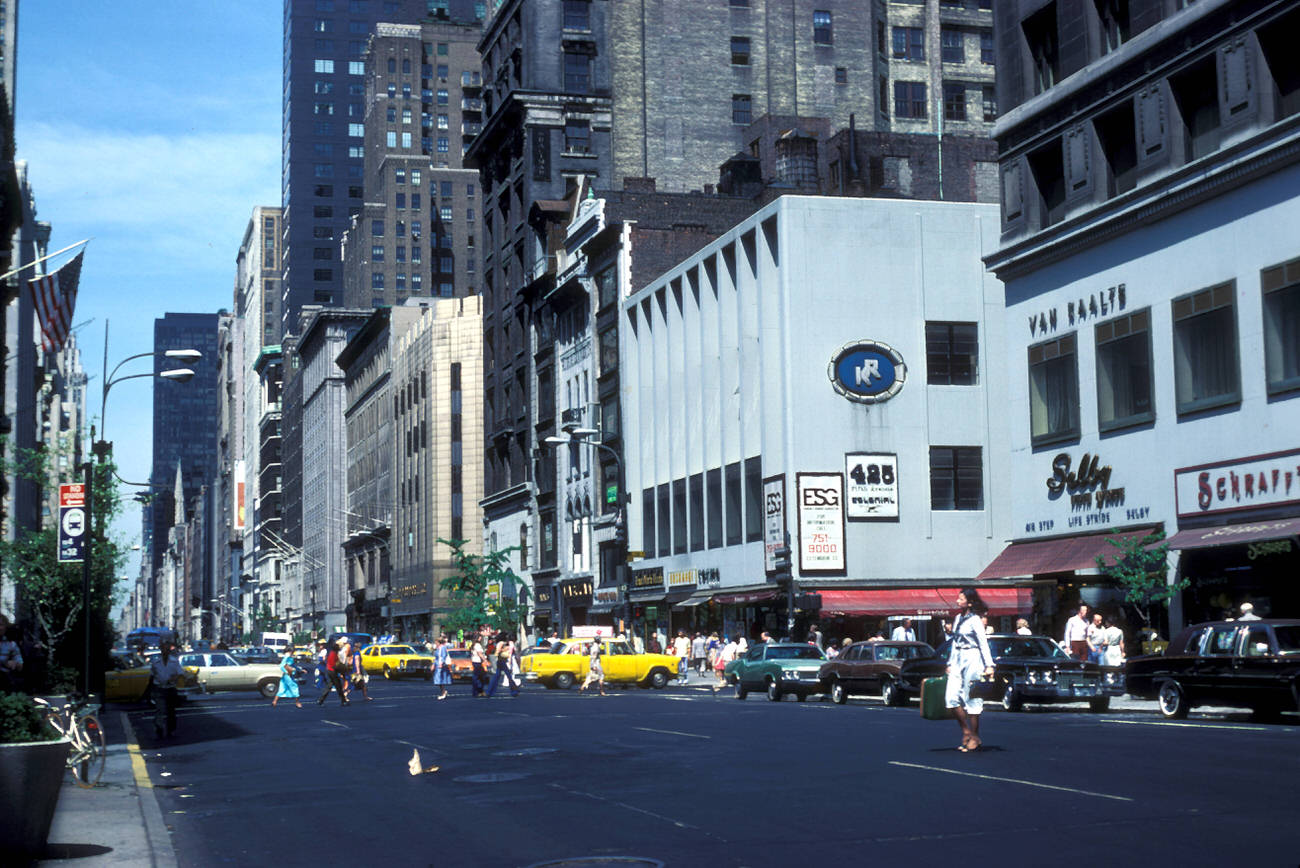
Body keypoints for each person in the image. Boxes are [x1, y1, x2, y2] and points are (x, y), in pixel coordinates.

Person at [945, 589, 995, 753]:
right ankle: (966, 731)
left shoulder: (975, 620)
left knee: (971, 698)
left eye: (961, 599)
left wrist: (989, 665)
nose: (957, 601)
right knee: (951, 698)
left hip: (973, 658)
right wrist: (950, 662)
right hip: (958, 658)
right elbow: (954, 643)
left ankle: (974, 736)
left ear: (970, 602)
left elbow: (983, 643)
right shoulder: (958, 618)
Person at [150, 641, 184, 738]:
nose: (165, 651)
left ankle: (170, 730)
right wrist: (151, 691)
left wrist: (174, 678)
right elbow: (152, 676)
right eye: (163, 649)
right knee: (159, 710)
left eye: (167, 649)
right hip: (159, 688)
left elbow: (180, 673)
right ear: (161, 650)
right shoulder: (156, 663)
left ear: (169, 651)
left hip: (170, 688)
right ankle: (159, 729)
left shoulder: (174, 661)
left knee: (171, 711)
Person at [317, 640, 350, 706]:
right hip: (332, 671)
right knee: (339, 687)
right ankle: (343, 701)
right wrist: (342, 670)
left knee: (329, 686)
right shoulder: (334, 654)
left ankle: (321, 700)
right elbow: (335, 665)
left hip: (329, 671)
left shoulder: (332, 653)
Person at [0, 616, 24, 692]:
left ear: (5, 627)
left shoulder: (11, 644)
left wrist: (15, 664)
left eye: (1, 625)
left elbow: (20, 664)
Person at [433, 634, 452, 700]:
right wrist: (433, 664)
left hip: (441, 665)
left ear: (439, 642)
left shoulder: (443, 648)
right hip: (437, 664)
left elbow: (443, 656)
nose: (435, 643)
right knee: (438, 680)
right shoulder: (437, 648)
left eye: (436, 642)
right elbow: (436, 657)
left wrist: (441, 663)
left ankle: (443, 693)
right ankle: (443, 691)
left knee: (440, 679)